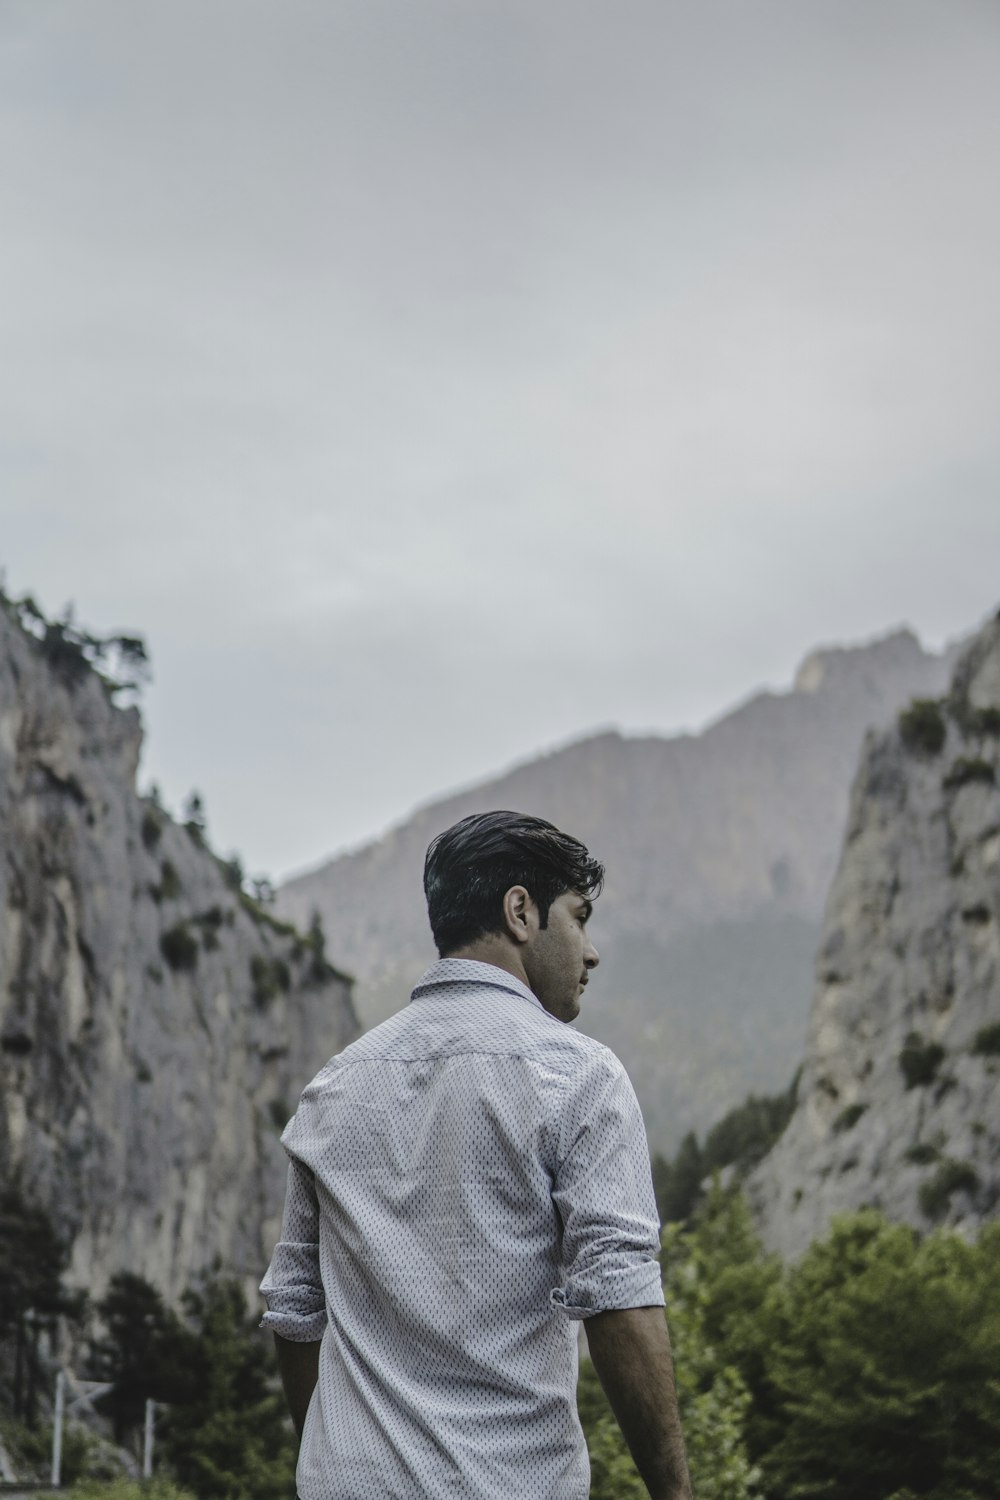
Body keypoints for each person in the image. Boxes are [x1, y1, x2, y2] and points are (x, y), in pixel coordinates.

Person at [261, 810, 692, 1500]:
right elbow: (619, 1299)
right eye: (579, 918)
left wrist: (337, 1462)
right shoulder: (579, 1075)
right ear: (521, 911)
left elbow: (292, 1308)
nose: (591, 952)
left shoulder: (334, 1086)